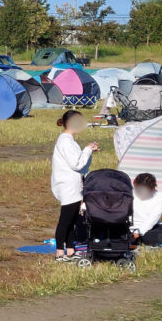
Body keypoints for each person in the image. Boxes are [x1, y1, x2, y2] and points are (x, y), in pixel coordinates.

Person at [51, 110, 98, 261]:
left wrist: (89, 152)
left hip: (72, 185)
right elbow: (77, 164)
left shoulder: (69, 140)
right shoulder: (65, 141)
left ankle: (70, 249)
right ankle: (59, 251)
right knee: (65, 220)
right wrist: (88, 150)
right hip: (68, 186)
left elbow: (82, 165)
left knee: (71, 220)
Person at [132, 173, 162, 246]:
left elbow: (152, 219)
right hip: (130, 228)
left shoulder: (160, 197)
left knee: (151, 235)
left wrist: (139, 232)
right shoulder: (128, 193)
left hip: (150, 228)